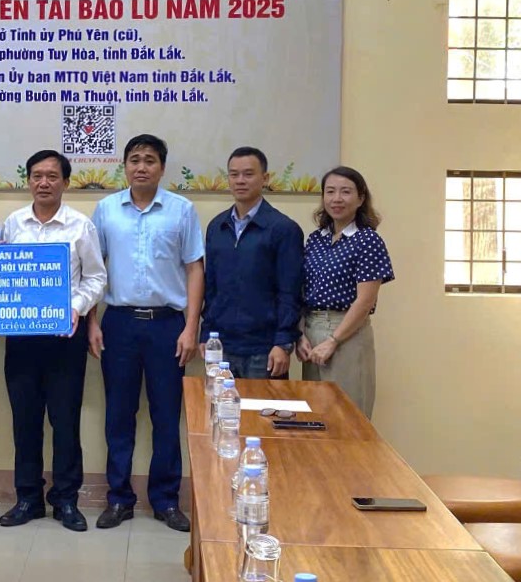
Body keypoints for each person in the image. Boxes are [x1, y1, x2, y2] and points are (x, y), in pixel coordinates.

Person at [89, 134, 204, 533]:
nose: (141, 167)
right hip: (118, 323)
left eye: (150, 160)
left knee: (166, 415)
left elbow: (194, 268)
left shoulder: (182, 210)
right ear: (124, 166)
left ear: (162, 167)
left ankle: (166, 500)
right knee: (119, 415)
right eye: (135, 159)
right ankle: (119, 499)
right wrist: (92, 322)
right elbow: (94, 269)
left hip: (167, 326)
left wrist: (191, 326)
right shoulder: (106, 209)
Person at [0, 150, 107, 532]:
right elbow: (1, 276)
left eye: (52, 176)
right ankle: (28, 498)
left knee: (65, 422)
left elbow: (96, 278)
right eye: (37, 176)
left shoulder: (80, 225)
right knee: (25, 422)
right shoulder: (13, 224)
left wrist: (75, 308)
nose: (43, 183)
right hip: (22, 339)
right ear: (28, 181)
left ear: (66, 182)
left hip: (65, 338)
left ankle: (66, 500)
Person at [298, 166, 394, 418]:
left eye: (345, 192)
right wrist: (300, 334)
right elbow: (303, 289)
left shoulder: (368, 240)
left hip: (346, 335)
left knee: (347, 417)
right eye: (330, 192)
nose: (336, 198)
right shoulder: (316, 239)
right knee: (314, 417)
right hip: (312, 331)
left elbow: (365, 300)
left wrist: (334, 340)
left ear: (361, 198)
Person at [201, 147, 304, 379]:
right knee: (220, 402)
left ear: (264, 178)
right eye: (234, 174)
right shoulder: (217, 227)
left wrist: (283, 342)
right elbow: (211, 287)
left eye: (248, 174)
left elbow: (290, 291)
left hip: (264, 348)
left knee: (262, 404)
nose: (240, 180)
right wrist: (206, 333)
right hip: (223, 346)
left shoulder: (283, 229)